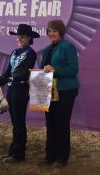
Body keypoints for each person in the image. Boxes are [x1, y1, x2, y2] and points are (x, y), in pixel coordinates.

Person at [0, 24, 40, 163]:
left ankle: (19, 154)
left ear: (29, 38)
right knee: (15, 122)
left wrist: (8, 78)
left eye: (22, 36)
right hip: (11, 89)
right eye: (18, 36)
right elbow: (8, 71)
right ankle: (13, 151)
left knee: (19, 122)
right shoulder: (14, 52)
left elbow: (24, 75)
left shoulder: (31, 54)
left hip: (21, 90)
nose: (19, 39)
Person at [40, 19, 79, 167]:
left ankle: (62, 158)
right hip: (49, 90)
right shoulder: (47, 49)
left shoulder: (68, 47)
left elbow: (73, 69)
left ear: (60, 32)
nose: (51, 33)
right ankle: (50, 156)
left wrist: (55, 69)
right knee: (50, 123)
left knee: (62, 123)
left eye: (54, 30)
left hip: (66, 90)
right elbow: (45, 69)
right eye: (49, 31)